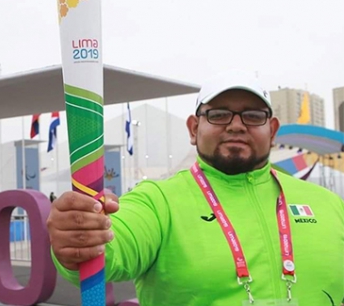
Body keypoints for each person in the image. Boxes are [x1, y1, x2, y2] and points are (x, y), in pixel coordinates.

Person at [47, 70, 344, 305]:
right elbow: (113, 245)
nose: (237, 126)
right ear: (194, 128)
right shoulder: (158, 202)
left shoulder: (328, 203)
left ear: (273, 130)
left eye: (253, 116)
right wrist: (81, 235)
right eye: (219, 114)